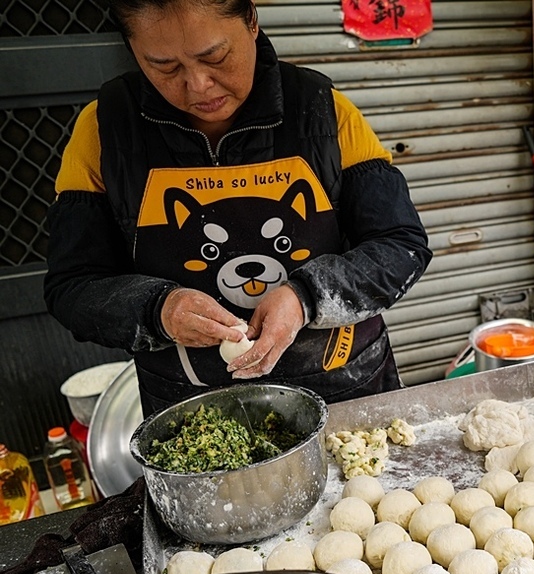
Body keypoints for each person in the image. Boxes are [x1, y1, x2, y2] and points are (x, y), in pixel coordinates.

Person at [43, 0, 431, 416]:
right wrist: (158, 309)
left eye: (215, 57)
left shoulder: (323, 112)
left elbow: (400, 245)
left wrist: (306, 298)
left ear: (251, 22)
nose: (198, 85)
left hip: (344, 389)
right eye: (164, 67)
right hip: (196, 411)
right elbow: (73, 284)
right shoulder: (104, 130)